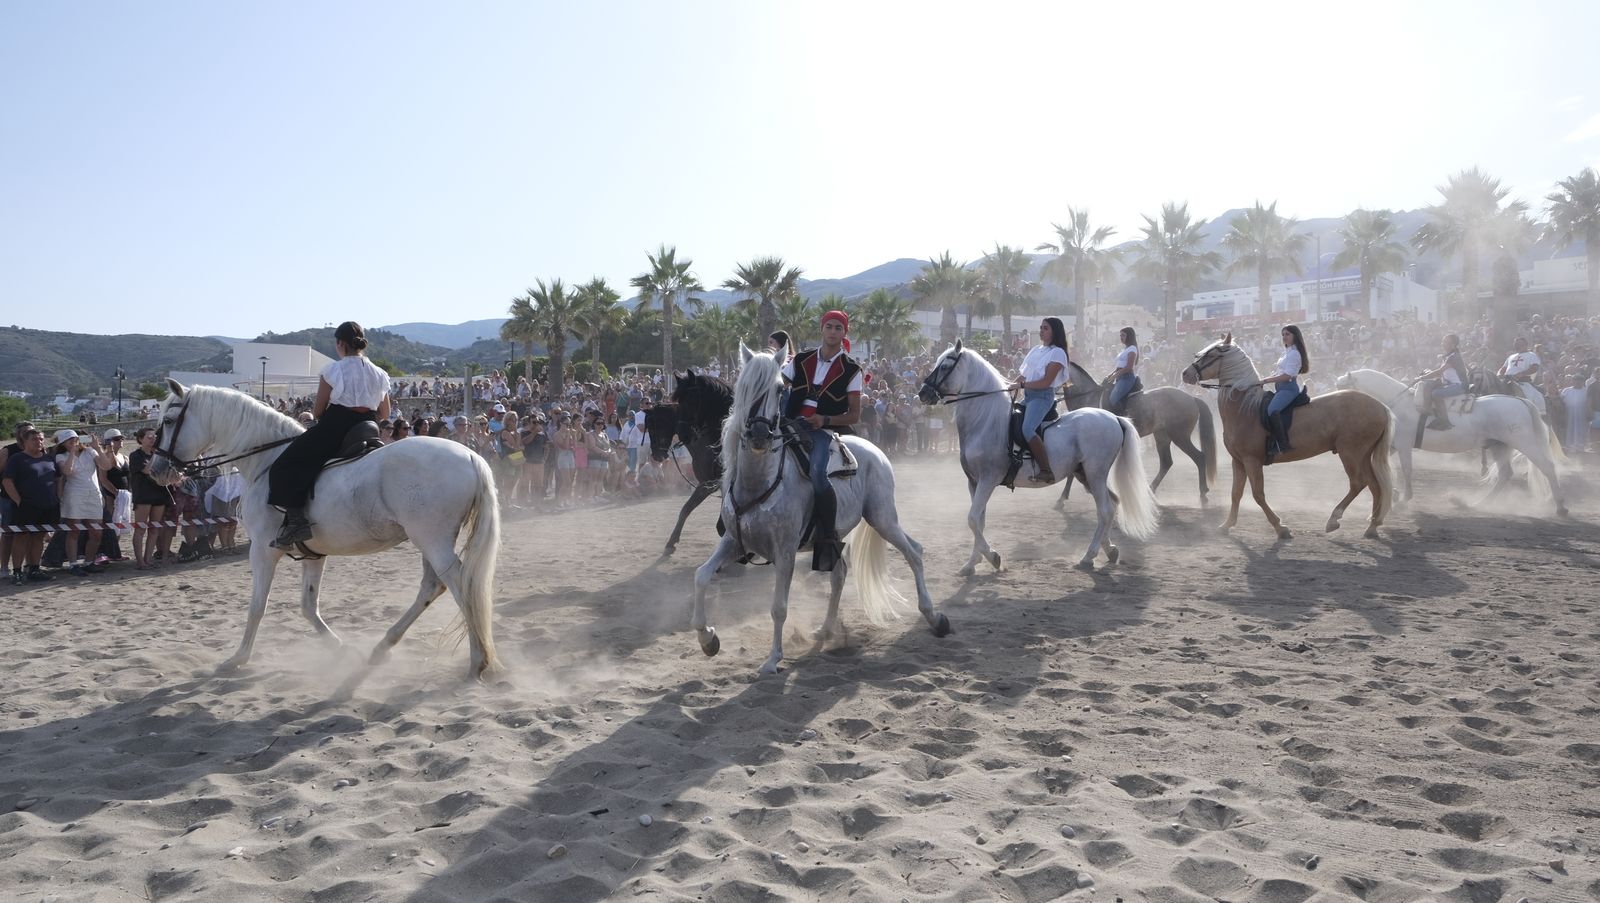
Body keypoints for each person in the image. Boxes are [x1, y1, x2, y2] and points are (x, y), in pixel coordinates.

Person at [267, 321, 392, 547]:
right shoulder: (380, 373)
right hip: (369, 427)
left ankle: (296, 522)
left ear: (340, 344)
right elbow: (385, 412)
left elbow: (317, 411)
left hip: (337, 426)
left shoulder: (332, 370)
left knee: (283, 465)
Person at [781, 309, 863, 571]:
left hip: (821, 430)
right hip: (788, 424)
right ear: (822, 329)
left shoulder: (852, 369)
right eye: (829, 326)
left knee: (817, 473)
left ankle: (827, 539)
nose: (833, 331)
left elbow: (854, 415)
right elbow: (778, 386)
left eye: (839, 328)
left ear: (844, 333)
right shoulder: (801, 359)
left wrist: (824, 420)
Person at [1010, 317, 1071, 483]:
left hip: (1043, 397)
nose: (1041, 331)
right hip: (1029, 396)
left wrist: (1020, 385)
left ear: (1054, 331)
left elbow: (1046, 382)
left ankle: (1046, 470)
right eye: (1041, 328)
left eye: (1045, 328)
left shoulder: (1057, 352)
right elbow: (1023, 374)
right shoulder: (1036, 349)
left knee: (1028, 429)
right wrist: (1011, 384)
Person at [3, 428, 58, 584]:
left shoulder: (49, 458)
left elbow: (58, 479)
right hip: (26, 505)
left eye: (41, 439)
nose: (39, 442)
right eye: (34, 439)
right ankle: (18, 571)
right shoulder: (17, 459)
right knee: (21, 537)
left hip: (47, 504)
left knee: (39, 537)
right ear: (25, 442)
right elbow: (7, 481)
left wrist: (57, 498)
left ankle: (34, 568)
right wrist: (19, 501)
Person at [54, 429, 103, 575]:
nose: (73, 442)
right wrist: (73, 454)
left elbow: (106, 465)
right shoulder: (61, 456)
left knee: (96, 532)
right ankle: (73, 564)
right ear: (63, 443)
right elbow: (67, 472)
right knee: (74, 531)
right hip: (74, 494)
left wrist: (98, 448)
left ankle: (89, 561)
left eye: (75, 439)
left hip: (93, 494)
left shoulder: (90, 452)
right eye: (69, 440)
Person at [1259, 324, 1309, 452]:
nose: (1284, 337)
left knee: (1272, 410)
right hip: (1281, 388)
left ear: (1295, 336)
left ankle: (1282, 444)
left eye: (1287, 334)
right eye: (1283, 335)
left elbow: (1287, 376)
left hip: (1289, 388)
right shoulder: (1286, 352)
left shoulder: (1294, 354)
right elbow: (1278, 373)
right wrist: (1261, 380)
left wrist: (1266, 380)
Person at [127, 427, 169, 570]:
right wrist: (156, 456)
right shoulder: (135, 455)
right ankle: (140, 561)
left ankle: (148, 558)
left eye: (154, 437)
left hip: (159, 492)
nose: (153, 440)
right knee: (140, 528)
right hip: (143, 494)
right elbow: (146, 470)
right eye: (149, 437)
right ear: (141, 439)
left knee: (155, 529)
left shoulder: (160, 455)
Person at [1418, 332, 1467, 430]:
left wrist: (1423, 377)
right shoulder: (1447, 356)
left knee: (1436, 393)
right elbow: (1440, 374)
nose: (1442, 344)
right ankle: (1427, 409)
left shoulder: (1454, 356)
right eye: (1443, 341)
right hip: (1448, 384)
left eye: (1445, 342)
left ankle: (1444, 420)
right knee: (1429, 385)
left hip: (1459, 386)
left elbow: (1439, 372)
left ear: (1453, 345)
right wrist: (1426, 376)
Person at [1105, 327, 1139, 417]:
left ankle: (1122, 419)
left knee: (1113, 399)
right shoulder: (1125, 349)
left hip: (1127, 378)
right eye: (1120, 335)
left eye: (1123, 335)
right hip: (1120, 377)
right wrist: (1111, 374)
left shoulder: (1132, 349)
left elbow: (1129, 367)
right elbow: (1119, 366)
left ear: (1129, 336)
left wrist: (1115, 375)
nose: (1121, 337)